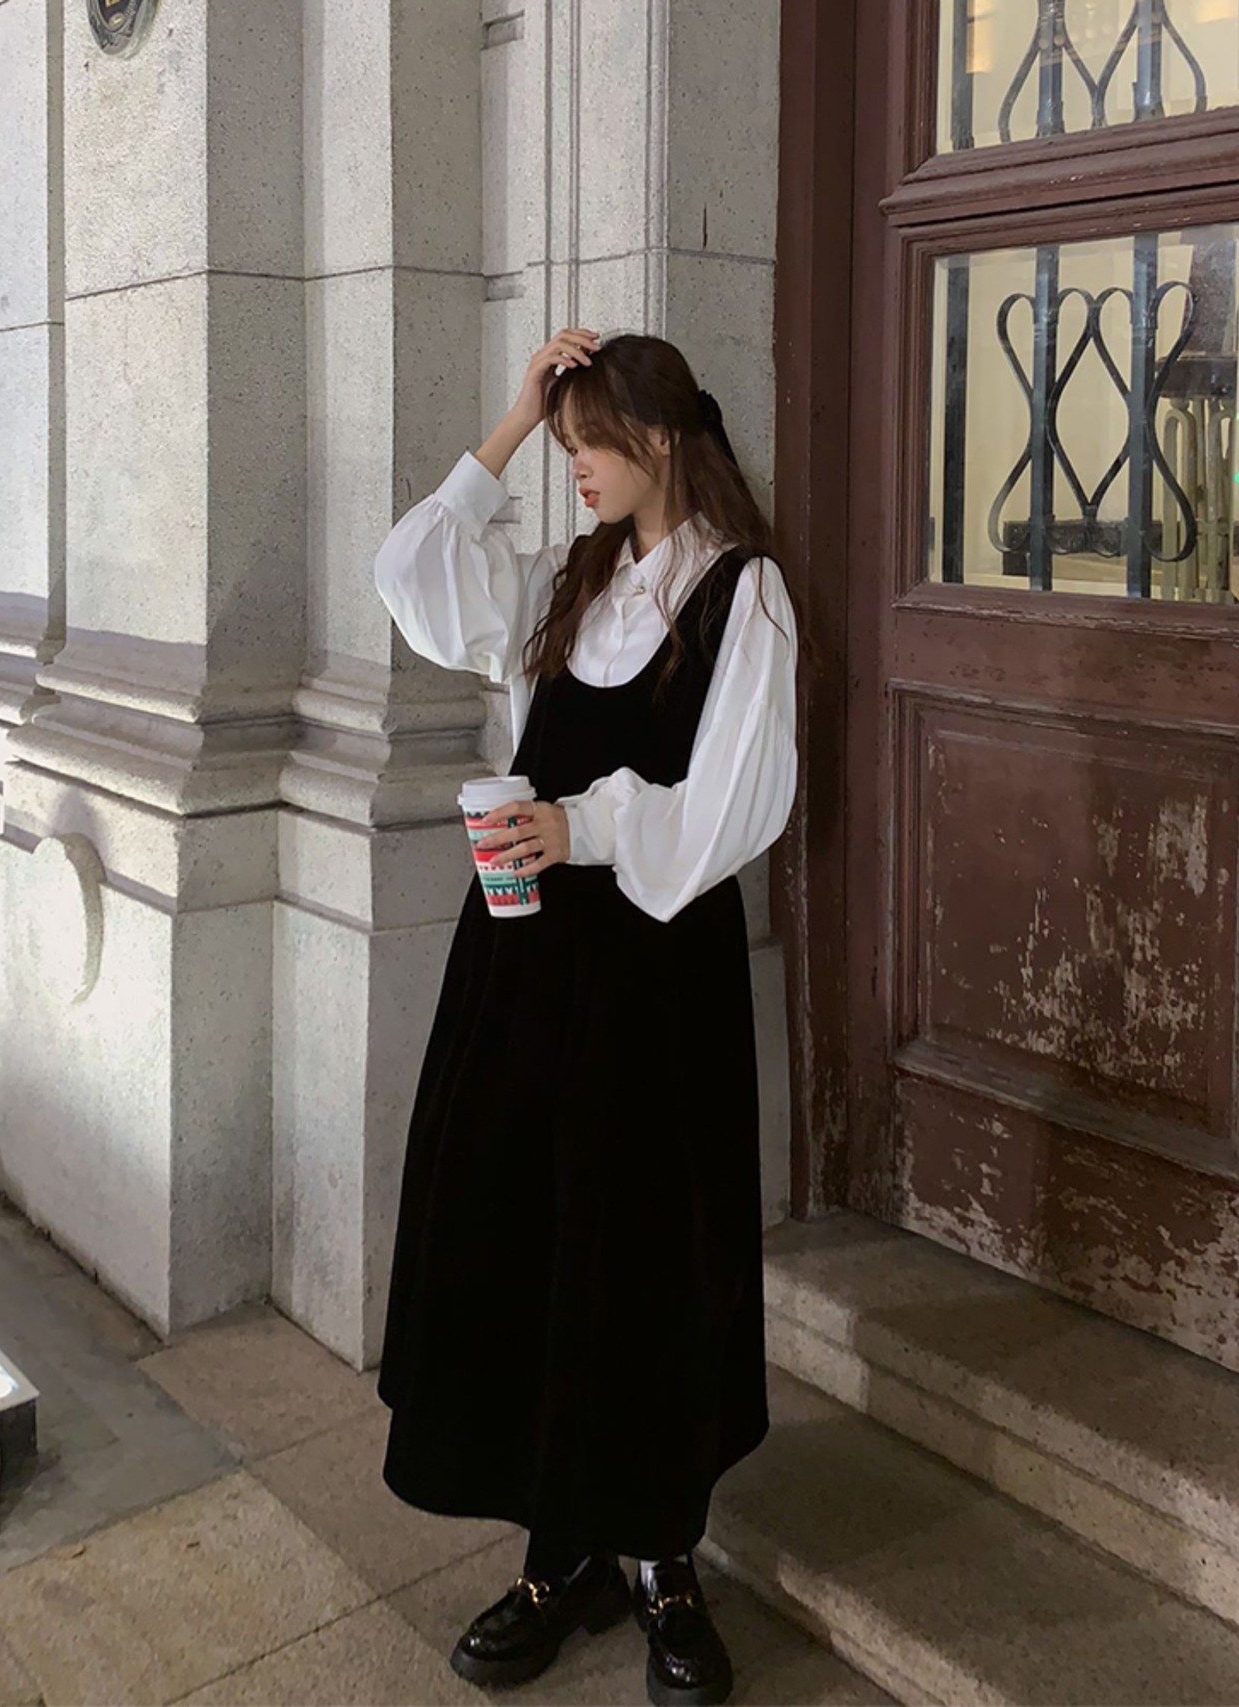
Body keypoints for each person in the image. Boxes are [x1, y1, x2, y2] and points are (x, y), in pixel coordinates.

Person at [371, 328, 802, 1707]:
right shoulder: (572, 577)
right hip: (527, 975)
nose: (575, 471)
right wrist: (510, 421)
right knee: (534, 1247)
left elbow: (739, 802)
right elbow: (415, 579)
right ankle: (562, 1556)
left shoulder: (744, 593)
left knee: (646, 1256)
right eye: (562, 451)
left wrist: (587, 826)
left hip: (655, 983)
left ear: (660, 436)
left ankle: (662, 1556)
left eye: (589, 445)